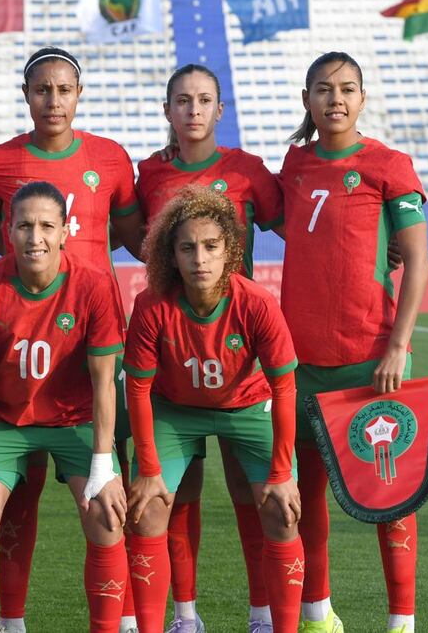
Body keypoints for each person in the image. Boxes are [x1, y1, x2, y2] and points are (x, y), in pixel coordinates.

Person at [0, 47, 143, 633]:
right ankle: (8, 621)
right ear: (26, 94)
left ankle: (125, 618)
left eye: (64, 89)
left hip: (84, 363)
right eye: (42, 89)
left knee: (111, 501)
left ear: (79, 93)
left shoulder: (110, 158)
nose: (53, 100)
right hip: (12, 375)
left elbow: (139, 237)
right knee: (4, 504)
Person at [276, 52, 428, 633]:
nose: (335, 98)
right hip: (301, 362)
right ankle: (318, 615)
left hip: (372, 360)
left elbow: (417, 260)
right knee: (306, 495)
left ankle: (401, 621)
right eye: (323, 88)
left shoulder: (388, 165)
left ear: (363, 98)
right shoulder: (294, 164)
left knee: (391, 494)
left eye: (346, 88)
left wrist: (398, 345)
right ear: (307, 99)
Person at [135, 64, 284, 633]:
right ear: (167, 110)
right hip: (178, 355)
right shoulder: (149, 173)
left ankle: (262, 614)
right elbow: (134, 238)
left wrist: (381, 243)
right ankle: (184, 616)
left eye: (203, 100)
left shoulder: (247, 170)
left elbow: (297, 226)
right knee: (178, 492)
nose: (193, 110)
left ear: (220, 110)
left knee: (252, 490)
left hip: (239, 356)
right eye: (182, 100)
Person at [122, 186, 303, 633]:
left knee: (281, 509)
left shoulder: (256, 303)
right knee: (147, 508)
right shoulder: (151, 305)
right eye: (187, 248)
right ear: (171, 255)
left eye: (210, 246)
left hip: (248, 406)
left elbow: (284, 388)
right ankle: (182, 620)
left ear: (230, 251)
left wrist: (282, 473)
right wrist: (149, 469)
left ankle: (273, 622)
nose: (199, 259)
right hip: (175, 410)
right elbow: (138, 390)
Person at [0, 182, 129, 633]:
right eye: (25, 226)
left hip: (75, 419)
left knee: (106, 514)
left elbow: (104, 382)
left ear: (65, 231)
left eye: (47, 226)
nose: (36, 238)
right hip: (3, 420)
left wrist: (102, 466)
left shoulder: (93, 285)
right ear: (8, 232)